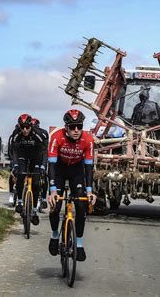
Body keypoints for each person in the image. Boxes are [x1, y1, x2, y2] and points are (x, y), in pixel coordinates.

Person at [48, 109, 96, 262]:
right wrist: (53, 190)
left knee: (81, 206)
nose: (76, 130)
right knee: (56, 205)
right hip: (59, 170)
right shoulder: (57, 137)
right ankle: (55, 235)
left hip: (77, 171)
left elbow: (89, 167)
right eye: (73, 126)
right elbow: (52, 166)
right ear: (66, 127)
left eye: (79, 126)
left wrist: (89, 191)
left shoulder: (88, 140)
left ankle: (79, 243)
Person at [10, 114, 48, 225]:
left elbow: (44, 151)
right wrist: (15, 165)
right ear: (19, 127)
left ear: (31, 126)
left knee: (36, 184)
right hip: (22, 156)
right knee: (21, 175)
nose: (25, 130)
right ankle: (20, 202)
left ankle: (35, 210)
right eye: (22, 127)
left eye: (27, 127)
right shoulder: (16, 134)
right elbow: (14, 151)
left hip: (36, 157)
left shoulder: (38, 134)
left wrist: (43, 166)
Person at [31, 118, 49, 209]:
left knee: (44, 177)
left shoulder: (44, 133)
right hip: (31, 159)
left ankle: (43, 198)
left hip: (41, 158)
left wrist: (43, 165)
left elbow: (45, 151)